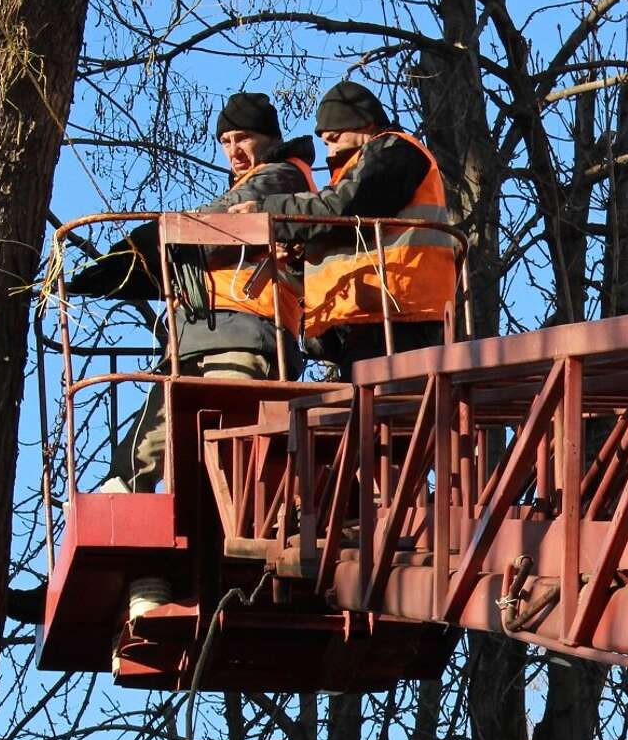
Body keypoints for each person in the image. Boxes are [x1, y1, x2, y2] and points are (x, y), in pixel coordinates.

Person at [72, 92, 317, 491]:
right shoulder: (258, 179)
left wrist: (146, 248)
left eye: (243, 138)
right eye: (225, 142)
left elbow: (213, 226)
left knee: (231, 443)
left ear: (269, 139)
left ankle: (231, 511)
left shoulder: (281, 176)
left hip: (247, 330)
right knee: (155, 425)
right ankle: (121, 487)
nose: (234, 151)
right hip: (203, 331)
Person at [229, 79, 458, 378]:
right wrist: (300, 257)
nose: (330, 150)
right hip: (372, 315)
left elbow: (348, 209)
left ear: (364, 125)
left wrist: (269, 213)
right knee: (376, 416)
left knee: (389, 412)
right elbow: (349, 235)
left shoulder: (396, 151)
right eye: (325, 142)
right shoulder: (360, 169)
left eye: (335, 138)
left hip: (400, 311)